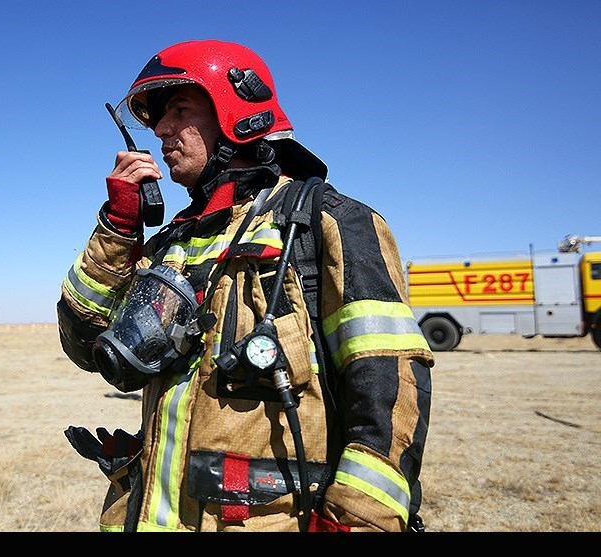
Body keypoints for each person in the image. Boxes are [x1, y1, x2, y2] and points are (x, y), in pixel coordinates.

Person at [57, 40, 434, 533]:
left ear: (236, 110)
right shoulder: (171, 243)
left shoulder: (328, 223)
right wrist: (118, 228)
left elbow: (389, 380)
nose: (162, 130)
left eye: (179, 108)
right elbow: (86, 342)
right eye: (156, 119)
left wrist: (359, 521)